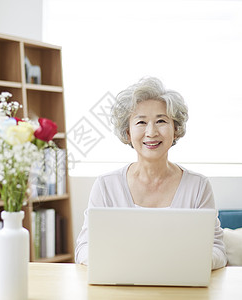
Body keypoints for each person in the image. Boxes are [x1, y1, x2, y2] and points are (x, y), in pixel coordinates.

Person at [74, 77, 227, 270]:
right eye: (141, 122)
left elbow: (218, 249)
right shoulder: (106, 185)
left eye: (161, 121)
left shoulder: (198, 186)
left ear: (176, 129)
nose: (151, 132)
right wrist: (120, 262)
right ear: (127, 132)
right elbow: (84, 248)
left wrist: (188, 262)